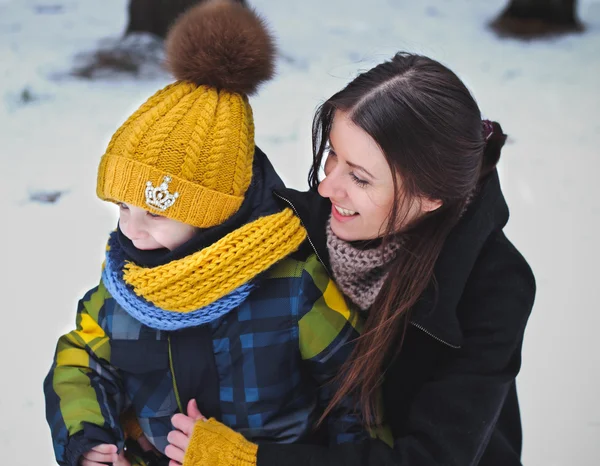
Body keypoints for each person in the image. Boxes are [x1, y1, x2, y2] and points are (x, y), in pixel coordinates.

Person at [164, 52, 536, 466]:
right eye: (333, 156)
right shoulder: (293, 227)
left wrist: (250, 461)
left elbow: (431, 458)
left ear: (432, 197)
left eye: (359, 177)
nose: (327, 188)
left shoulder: (494, 286)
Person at [43, 3, 372, 466]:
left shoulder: (293, 286)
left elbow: (354, 394)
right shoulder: (125, 285)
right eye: (122, 206)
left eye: (155, 214)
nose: (130, 230)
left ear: (216, 216)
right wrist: (90, 436)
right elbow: (82, 359)